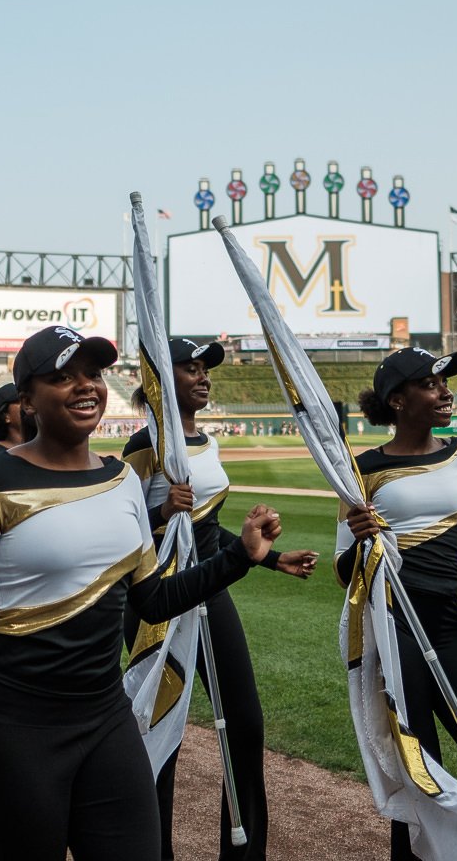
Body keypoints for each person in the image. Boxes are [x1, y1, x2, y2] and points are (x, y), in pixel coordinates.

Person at [0, 325, 282, 860]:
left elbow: (152, 599)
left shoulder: (122, 479)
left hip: (105, 719)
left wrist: (242, 555)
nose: (86, 387)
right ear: (26, 398)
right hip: (14, 728)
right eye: (62, 377)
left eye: (93, 375)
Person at [122, 337, 317, 860]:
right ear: (162, 380)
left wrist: (272, 558)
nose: (204, 376)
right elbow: (121, 534)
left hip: (210, 593)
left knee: (246, 723)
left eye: (206, 368)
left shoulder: (206, 442)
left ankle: (246, 852)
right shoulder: (146, 447)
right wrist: (163, 516)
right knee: (161, 736)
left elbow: (207, 532)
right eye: (190, 368)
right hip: (158, 604)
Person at [339, 348, 457, 859]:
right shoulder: (363, 471)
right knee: (421, 786)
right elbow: (344, 574)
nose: (446, 393)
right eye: (431, 384)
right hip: (395, 636)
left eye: (446, 383)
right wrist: (362, 542)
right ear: (397, 401)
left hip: (447, 629)